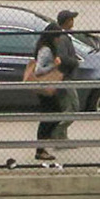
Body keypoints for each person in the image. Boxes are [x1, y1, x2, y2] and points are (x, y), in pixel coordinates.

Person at [28, 10, 81, 163]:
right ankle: (43, 147)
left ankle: (44, 147)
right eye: (57, 37)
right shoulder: (46, 50)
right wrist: (54, 65)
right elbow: (39, 70)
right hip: (46, 87)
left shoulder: (48, 47)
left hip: (48, 86)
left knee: (52, 114)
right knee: (50, 116)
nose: (59, 39)